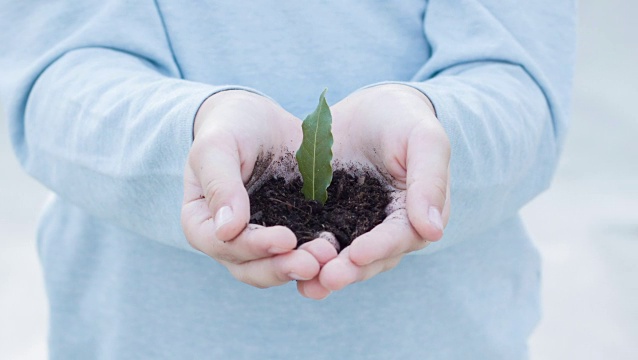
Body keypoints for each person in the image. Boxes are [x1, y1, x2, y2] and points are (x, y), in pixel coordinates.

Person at [0, 1, 575, 358]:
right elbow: (53, 80)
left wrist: (425, 128)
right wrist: (199, 133)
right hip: (144, 336)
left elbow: (522, 89)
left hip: (438, 339)